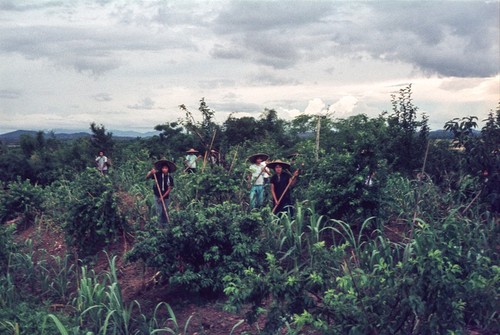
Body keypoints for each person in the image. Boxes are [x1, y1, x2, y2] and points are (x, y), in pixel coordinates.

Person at [146, 159, 176, 226]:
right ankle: (158, 226)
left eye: (166, 168)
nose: (164, 169)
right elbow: (147, 177)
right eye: (163, 168)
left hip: (166, 197)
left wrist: (162, 197)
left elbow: (169, 189)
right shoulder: (158, 174)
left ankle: (165, 226)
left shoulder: (170, 178)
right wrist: (151, 172)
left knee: (165, 211)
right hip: (157, 195)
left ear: (168, 169)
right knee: (159, 211)